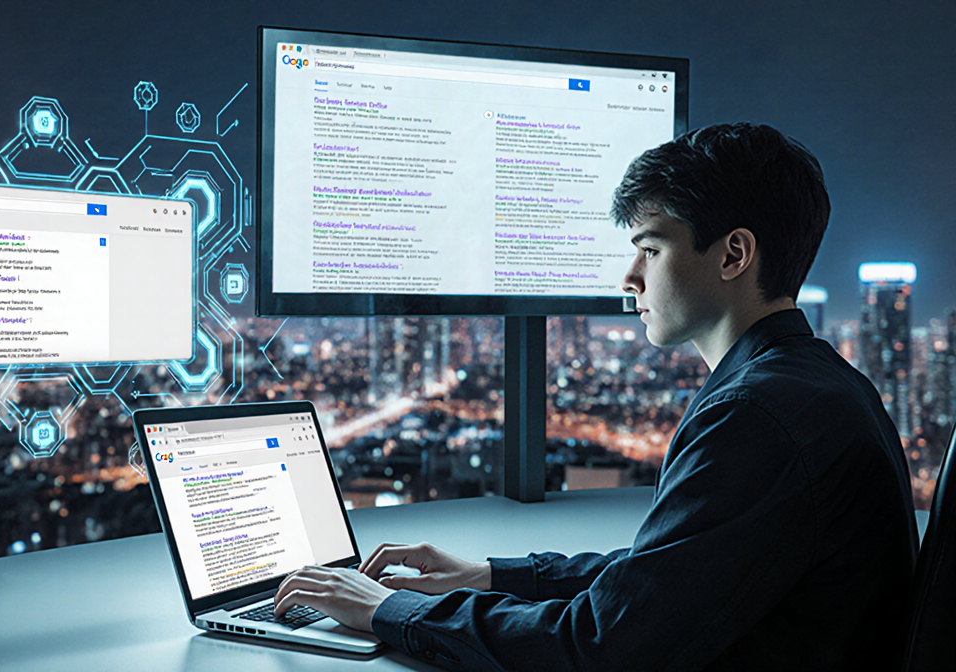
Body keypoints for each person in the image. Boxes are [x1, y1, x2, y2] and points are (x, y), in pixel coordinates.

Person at [272, 123, 919, 670]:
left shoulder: (757, 416)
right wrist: (495, 576)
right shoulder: (816, 383)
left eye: (651, 248)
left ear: (733, 255)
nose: (628, 278)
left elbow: (602, 645)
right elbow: (669, 576)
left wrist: (389, 609)